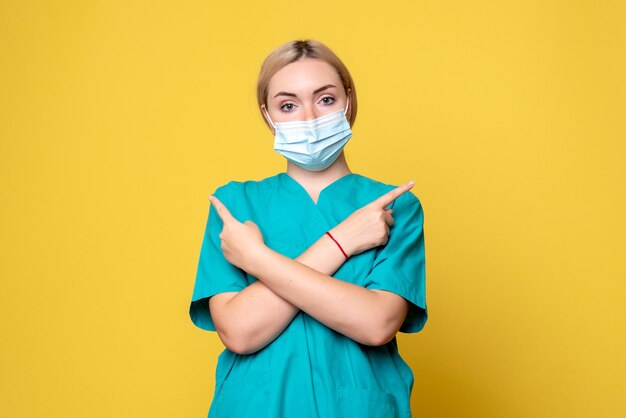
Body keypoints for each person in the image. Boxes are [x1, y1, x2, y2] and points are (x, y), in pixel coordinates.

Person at [189, 39, 428, 418]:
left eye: (326, 99)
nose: (309, 118)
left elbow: (376, 323)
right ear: (267, 116)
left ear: (348, 101)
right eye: (288, 105)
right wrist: (343, 240)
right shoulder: (235, 205)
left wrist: (256, 258)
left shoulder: (393, 206)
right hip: (256, 407)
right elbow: (239, 330)